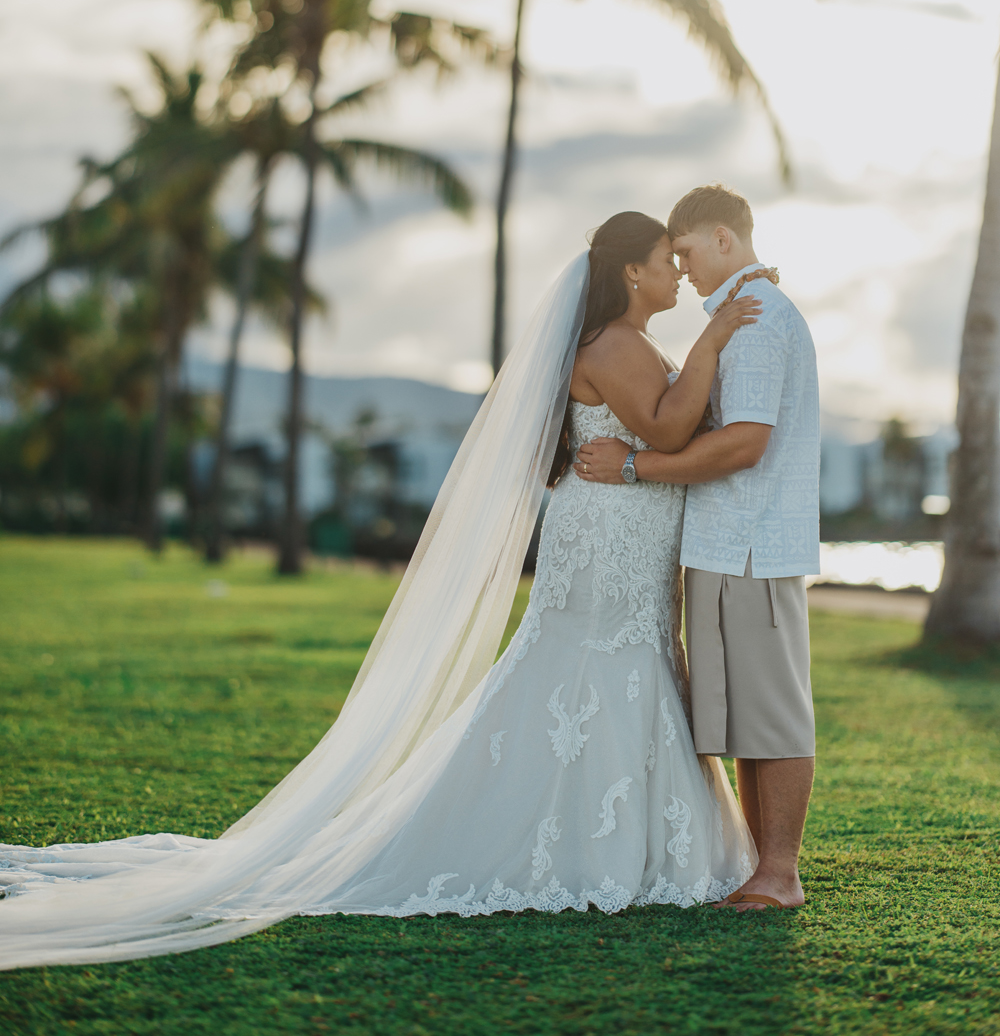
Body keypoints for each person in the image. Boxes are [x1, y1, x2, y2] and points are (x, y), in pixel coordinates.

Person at [0, 211, 761, 968]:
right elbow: (666, 430)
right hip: (608, 544)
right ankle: (584, 841)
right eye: (665, 258)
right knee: (597, 665)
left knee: (611, 663)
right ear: (632, 271)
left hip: (623, 537)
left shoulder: (626, 341)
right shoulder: (617, 343)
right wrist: (714, 338)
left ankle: (608, 835)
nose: (677, 272)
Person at [576, 184, 820, 912]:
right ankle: (761, 867)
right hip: (726, 544)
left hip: (751, 546)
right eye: (670, 256)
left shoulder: (755, 319)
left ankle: (780, 872)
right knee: (744, 717)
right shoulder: (736, 317)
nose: (681, 268)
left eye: (685, 251)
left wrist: (634, 466)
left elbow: (744, 443)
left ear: (723, 238)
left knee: (772, 714)